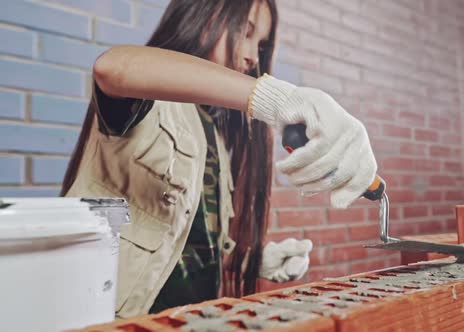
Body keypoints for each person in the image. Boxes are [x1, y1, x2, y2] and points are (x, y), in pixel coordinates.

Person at [60, 0, 378, 318]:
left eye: (261, 44)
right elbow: (114, 68)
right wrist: (275, 98)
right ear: (204, 15)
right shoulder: (148, 99)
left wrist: (249, 258)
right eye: (247, 32)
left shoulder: (210, 129)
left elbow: (183, 239)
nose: (253, 55)